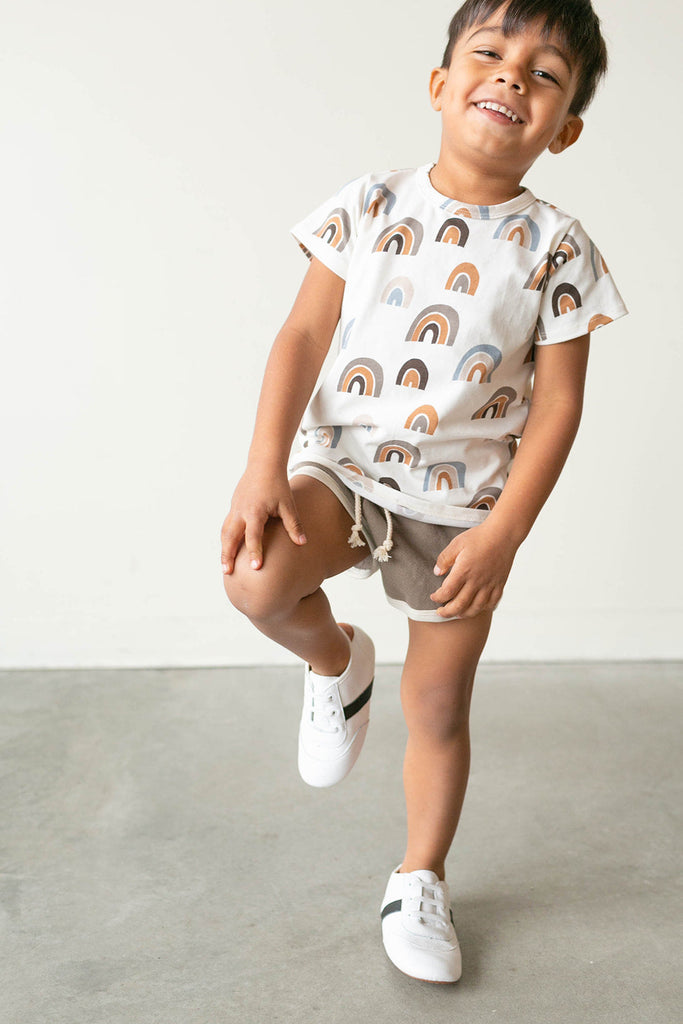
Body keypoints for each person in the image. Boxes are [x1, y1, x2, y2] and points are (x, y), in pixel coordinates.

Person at [220, 0, 627, 985]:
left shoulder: (555, 249)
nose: (511, 77)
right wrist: (263, 462)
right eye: (489, 53)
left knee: (437, 703)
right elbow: (301, 338)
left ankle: (418, 876)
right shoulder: (366, 204)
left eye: (544, 74)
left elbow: (557, 410)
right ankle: (334, 661)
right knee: (255, 579)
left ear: (562, 128)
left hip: (457, 510)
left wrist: (505, 535)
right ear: (440, 85)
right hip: (344, 470)